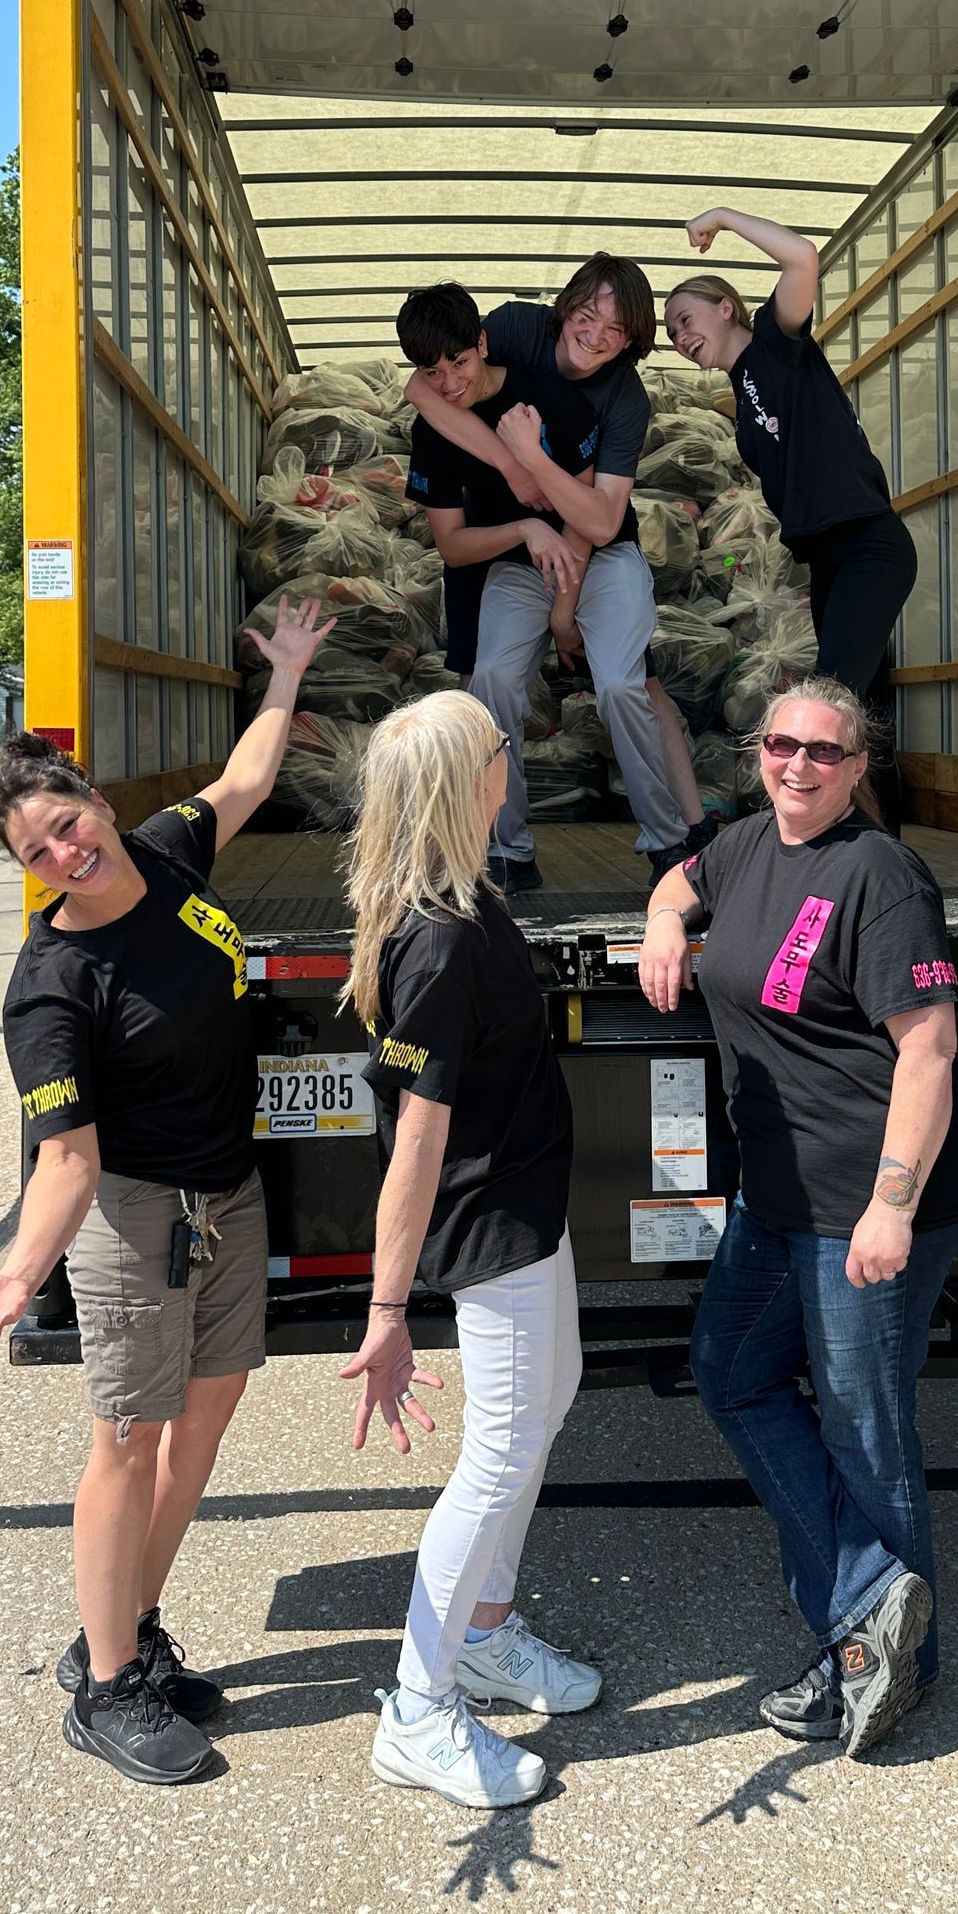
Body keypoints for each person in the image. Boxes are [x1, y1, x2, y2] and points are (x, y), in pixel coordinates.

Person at [0, 593, 336, 1787]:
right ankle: (105, 1690)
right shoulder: (52, 983)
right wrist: (17, 1271)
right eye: (36, 850)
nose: (64, 851)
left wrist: (287, 672)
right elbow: (67, 1158)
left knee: (198, 1428)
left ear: (101, 803)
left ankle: (128, 1633)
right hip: (135, 1216)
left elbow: (247, 781)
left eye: (67, 821)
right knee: (128, 1436)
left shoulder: (162, 853)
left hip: (226, 1195)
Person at [639, 676, 958, 1757]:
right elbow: (678, 881)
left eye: (824, 752)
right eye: (782, 745)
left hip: (867, 1198)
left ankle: (892, 1665)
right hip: (777, 1192)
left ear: (857, 767)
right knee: (731, 1368)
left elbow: (929, 1052)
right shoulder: (743, 846)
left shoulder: (879, 874)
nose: (799, 765)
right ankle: (867, 1606)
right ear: (758, 753)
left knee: (863, 1421)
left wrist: (892, 1206)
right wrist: (662, 925)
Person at [340, 691, 598, 1809]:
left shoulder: (460, 895)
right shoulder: (439, 941)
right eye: (501, 749)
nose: (513, 757)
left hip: (528, 1206)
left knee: (554, 1397)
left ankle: (486, 1634)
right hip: (488, 1220)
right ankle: (418, 1705)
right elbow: (414, 1140)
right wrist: (388, 1312)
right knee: (496, 1454)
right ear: (467, 782)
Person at [405, 251, 709, 888]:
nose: (595, 334)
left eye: (615, 327)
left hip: (597, 554)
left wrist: (564, 606)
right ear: (565, 307)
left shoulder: (599, 401)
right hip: (514, 561)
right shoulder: (515, 333)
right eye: (588, 314)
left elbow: (595, 522)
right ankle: (505, 850)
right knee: (486, 682)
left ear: (631, 339)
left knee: (625, 687)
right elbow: (452, 540)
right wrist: (519, 496)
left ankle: (674, 844)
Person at [663, 207, 917, 742]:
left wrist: (724, 218)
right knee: (862, 712)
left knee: (830, 706)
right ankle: (876, 823)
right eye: (672, 333)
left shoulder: (776, 347)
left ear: (726, 307)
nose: (680, 337)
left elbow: (802, 257)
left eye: (686, 319)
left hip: (869, 544)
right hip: (828, 564)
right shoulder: (741, 407)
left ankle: (826, 824)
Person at [397, 281, 598, 686]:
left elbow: (590, 507)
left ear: (482, 344)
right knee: (478, 686)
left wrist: (563, 610)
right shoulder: (431, 432)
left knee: (609, 677)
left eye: (459, 362)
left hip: (575, 551)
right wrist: (526, 529)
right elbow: (453, 548)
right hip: (489, 558)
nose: (450, 384)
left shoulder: (546, 395)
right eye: (432, 372)